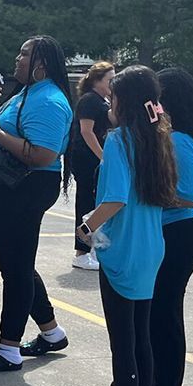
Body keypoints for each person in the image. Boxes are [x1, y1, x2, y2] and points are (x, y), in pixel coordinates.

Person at [77, 65, 178, 386]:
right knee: (141, 338)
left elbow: (115, 198)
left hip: (123, 249)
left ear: (123, 101)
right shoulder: (156, 138)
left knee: (124, 343)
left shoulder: (119, 141)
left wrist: (87, 226)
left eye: (111, 97)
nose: (107, 104)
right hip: (151, 246)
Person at [0, 35, 74, 373]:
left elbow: (42, 154)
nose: (17, 58)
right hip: (8, 188)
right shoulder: (29, 92)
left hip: (24, 189)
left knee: (15, 269)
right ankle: (51, 332)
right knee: (17, 263)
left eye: (24, 54)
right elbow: (3, 128)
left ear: (41, 63)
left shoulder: (49, 100)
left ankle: (8, 348)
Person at [148, 67, 193, 386]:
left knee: (165, 315)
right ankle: (154, 384)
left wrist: (144, 198)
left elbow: (187, 196)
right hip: (169, 233)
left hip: (180, 235)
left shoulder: (179, 140)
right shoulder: (166, 135)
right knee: (157, 315)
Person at [66, 61, 115, 271]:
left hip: (95, 159)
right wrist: (102, 157)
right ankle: (81, 252)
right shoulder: (89, 100)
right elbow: (87, 131)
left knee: (96, 201)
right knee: (86, 201)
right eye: (110, 80)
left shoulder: (103, 101)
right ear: (96, 80)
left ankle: (93, 248)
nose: (113, 84)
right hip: (85, 158)